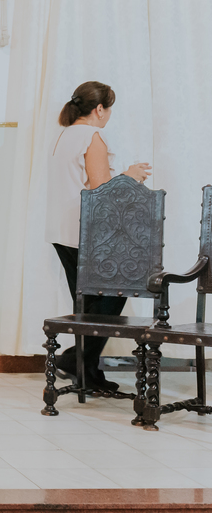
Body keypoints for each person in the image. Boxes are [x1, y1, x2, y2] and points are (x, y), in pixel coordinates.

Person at [45, 80, 152, 391]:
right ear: (99, 108)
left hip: (61, 229)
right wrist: (130, 175)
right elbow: (101, 192)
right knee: (112, 296)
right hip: (86, 232)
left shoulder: (64, 135)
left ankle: (85, 369)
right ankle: (73, 360)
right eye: (109, 109)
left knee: (89, 304)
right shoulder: (92, 136)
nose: (108, 116)